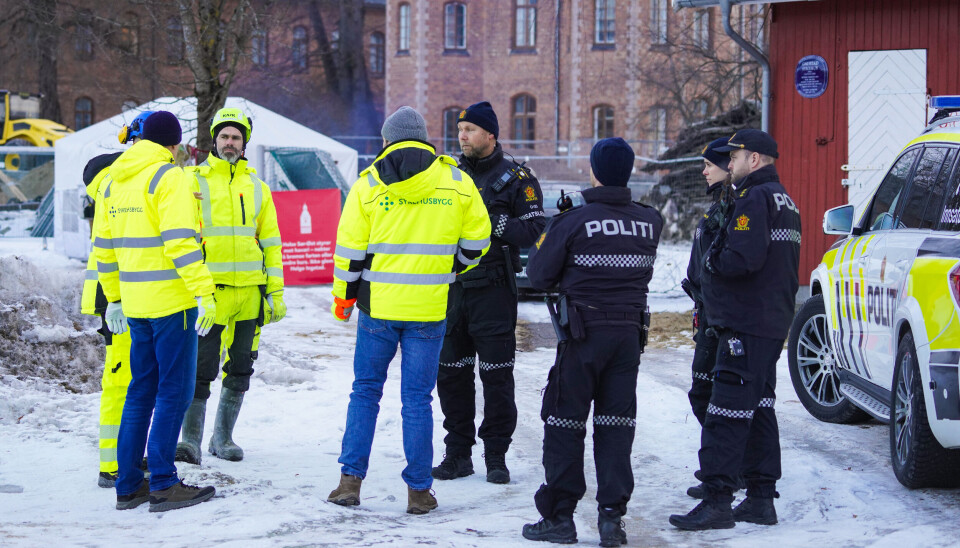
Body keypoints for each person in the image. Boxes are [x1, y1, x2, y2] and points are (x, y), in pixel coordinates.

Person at [326, 106, 491, 515]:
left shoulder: (368, 183)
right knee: (417, 400)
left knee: (365, 392)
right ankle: (419, 491)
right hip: (430, 308)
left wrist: (344, 300)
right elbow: (478, 240)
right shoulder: (457, 182)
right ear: (424, 138)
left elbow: (349, 252)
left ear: (387, 140)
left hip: (378, 308)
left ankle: (349, 483)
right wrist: (452, 267)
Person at [521, 138, 663, 546]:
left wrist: (555, 231)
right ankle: (611, 520)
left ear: (594, 172)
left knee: (564, 422)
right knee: (616, 426)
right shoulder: (649, 220)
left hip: (583, 335)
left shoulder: (573, 220)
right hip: (628, 337)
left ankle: (560, 517)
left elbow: (539, 275)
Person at [669, 129, 801, 530]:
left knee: (725, 412)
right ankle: (760, 498)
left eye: (735, 156)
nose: (730, 163)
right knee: (758, 408)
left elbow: (740, 259)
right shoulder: (783, 198)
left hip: (746, 322)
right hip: (767, 320)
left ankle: (717, 501)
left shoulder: (753, 199)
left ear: (754, 159)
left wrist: (711, 262)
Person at [94, 110, 218, 512]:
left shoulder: (112, 181)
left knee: (140, 391)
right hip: (172, 303)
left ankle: (129, 485)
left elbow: (103, 249)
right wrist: (205, 291)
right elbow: (181, 243)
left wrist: (114, 298)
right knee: (174, 392)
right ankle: (164, 483)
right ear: (174, 144)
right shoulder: (170, 177)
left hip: (135, 304)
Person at [433, 101, 546, 485]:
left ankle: (496, 455)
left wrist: (493, 223)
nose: (462, 136)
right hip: (452, 291)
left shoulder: (517, 178)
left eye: (470, 130)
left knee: (497, 377)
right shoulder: (447, 174)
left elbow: (533, 230)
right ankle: (457, 454)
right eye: (459, 129)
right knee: (452, 375)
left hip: (494, 291)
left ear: (490, 135)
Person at [175, 107, 285, 465]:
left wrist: (275, 292)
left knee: (240, 368)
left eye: (236, 137)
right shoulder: (193, 181)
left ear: (244, 143)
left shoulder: (258, 188)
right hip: (210, 294)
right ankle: (190, 441)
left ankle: (222, 439)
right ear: (214, 139)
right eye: (224, 136)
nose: (230, 142)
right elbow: (183, 237)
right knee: (200, 368)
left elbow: (272, 244)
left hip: (250, 294)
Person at [81, 110, 154, 488]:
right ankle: (111, 464)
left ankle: (128, 454)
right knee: (120, 380)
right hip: (116, 296)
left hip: (138, 293)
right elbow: (94, 170)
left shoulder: (139, 174)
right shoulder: (113, 174)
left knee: (138, 381)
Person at [680, 137, 734, 499]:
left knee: (712, 395)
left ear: (728, 167)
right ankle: (721, 465)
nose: (704, 171)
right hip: (706, 312)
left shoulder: (733, 208)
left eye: (709, 165)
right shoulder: (717, 206)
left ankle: (727, 469)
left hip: (720, 318)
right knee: (703, 393)